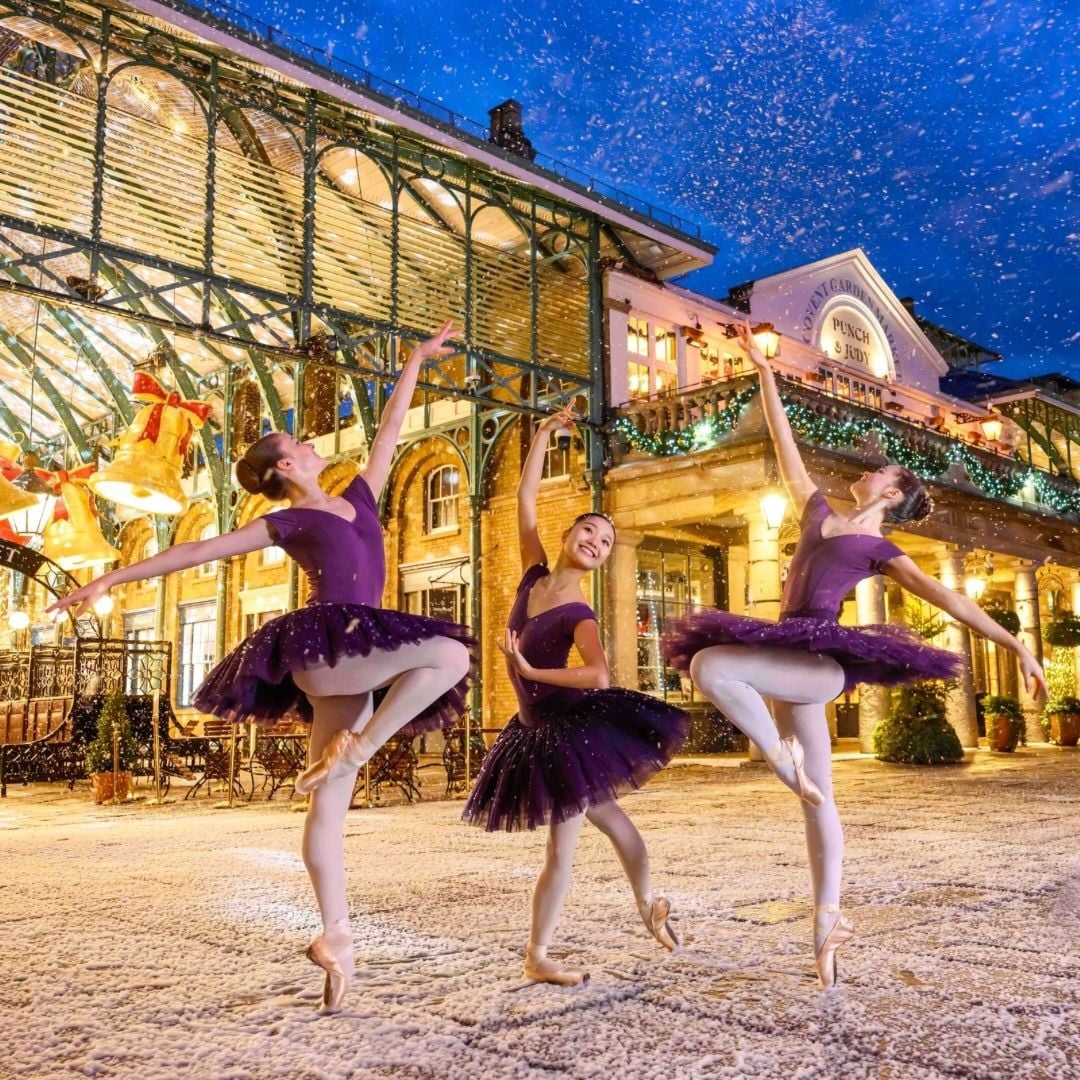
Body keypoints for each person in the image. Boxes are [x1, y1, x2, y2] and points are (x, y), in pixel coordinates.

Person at [48, 322, 475, 1014]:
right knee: (451, 654)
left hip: (350, 660)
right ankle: (359, 746)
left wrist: (416, 363)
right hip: (334, 646)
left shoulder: (359, 498)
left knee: (328, 804)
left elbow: (390, 431)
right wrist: (108, 580)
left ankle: (335, 937)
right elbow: (197, 554)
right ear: (284, 469)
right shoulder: (289, 522)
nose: (310, 445)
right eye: (297, 446)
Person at [663, 322, 1047, 988]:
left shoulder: (880, 550)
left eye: (878, 471)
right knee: (820, 803)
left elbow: (953, 601)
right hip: (788, 650)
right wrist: (763, 368)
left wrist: (1016, 644)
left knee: (711, 666)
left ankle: (784, 763)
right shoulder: (815, 512)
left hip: (818, 658)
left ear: (890, 494)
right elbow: (785, 445)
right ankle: (827, 927)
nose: (865, 471)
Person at [463, 408, 690, 986]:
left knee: (568, 846)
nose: (596, 541)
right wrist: (542, 435)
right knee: (612, 824)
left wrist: (528, 665)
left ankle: (545, 952)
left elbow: (599, 675)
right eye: (589, 531)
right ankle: (647, 906)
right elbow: (523, 499)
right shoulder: (532, 576)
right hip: (533, 729)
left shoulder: (579, 611)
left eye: (607, 542)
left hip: (571, 732)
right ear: (567, 535)